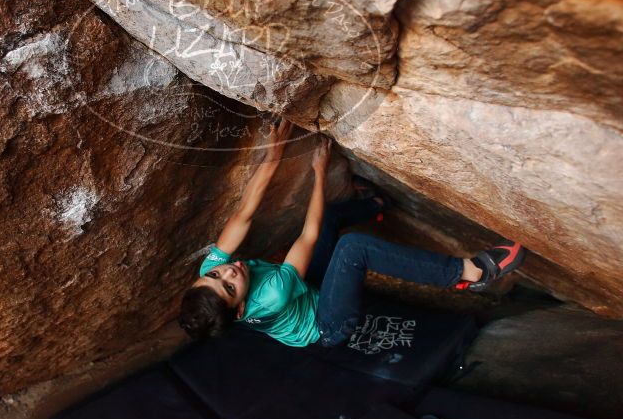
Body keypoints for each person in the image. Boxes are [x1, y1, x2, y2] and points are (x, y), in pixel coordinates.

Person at [178, 118, 527, 348]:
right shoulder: (272, 296)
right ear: (239, 310)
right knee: (352, 248)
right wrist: (319, 170)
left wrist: (273, 155)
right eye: (229, 287)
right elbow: (307, 237)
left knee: (330, 217)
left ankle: (375, 204)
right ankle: (469, 272)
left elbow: (244, 214)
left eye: (214, 273)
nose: (228, 272)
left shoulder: (211, 274)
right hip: (326, 323)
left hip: (307, 289)